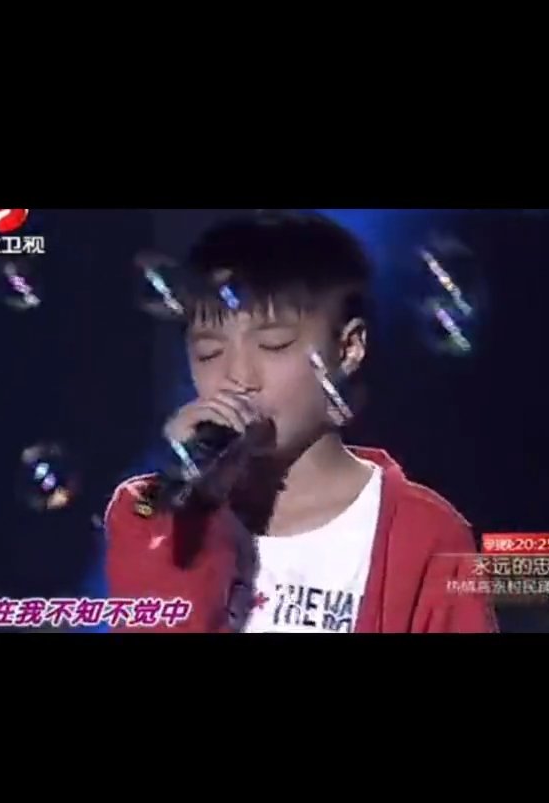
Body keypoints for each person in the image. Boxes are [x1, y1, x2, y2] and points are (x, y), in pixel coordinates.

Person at [106, 210, 497, 633]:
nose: (239, 377)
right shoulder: (148, 510)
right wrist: (188, 506)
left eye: (274, 345)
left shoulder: (427, 534)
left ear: (348, 348)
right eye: (209, 352)